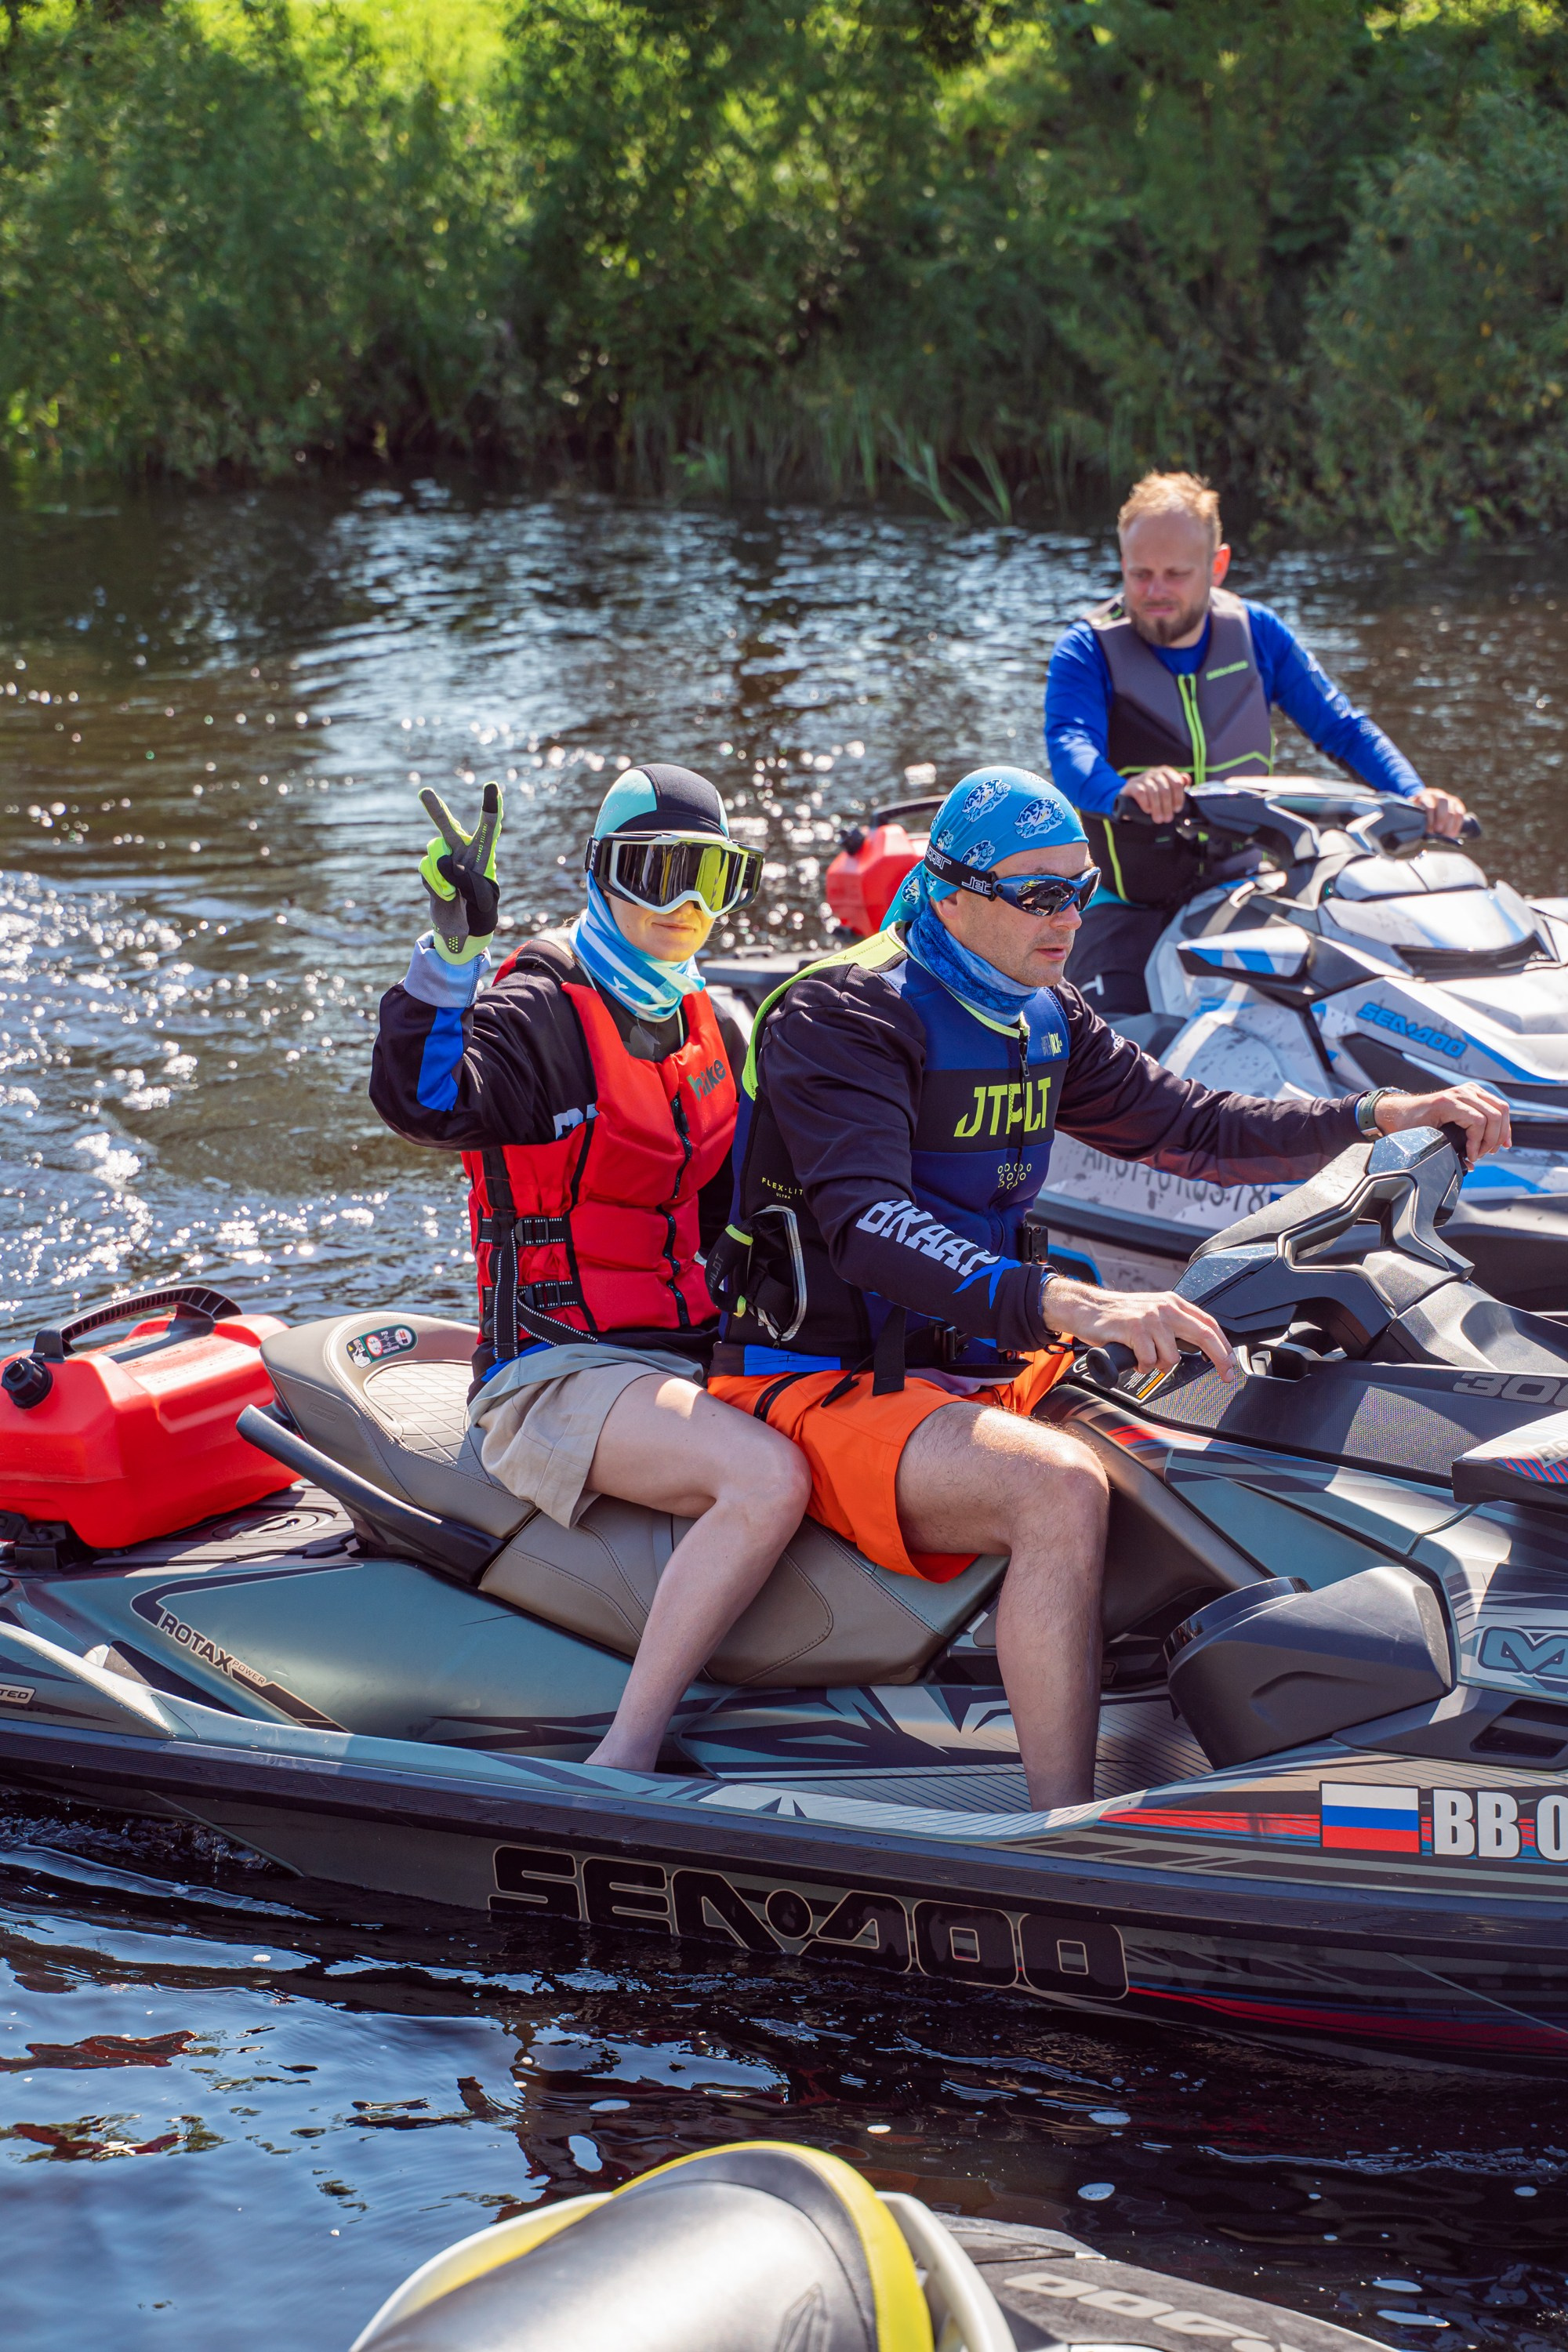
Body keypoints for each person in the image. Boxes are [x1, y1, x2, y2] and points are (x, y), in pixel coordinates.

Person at [706, 766, 1510, 1811]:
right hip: (823, 1379)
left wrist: (1381, 1114)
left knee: (1212, 1412)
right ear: (951, 893)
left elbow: (1194, 1126)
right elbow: (870, 1231)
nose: (1072, 916)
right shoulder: (843, 1017)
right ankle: (1061, 1824)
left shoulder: (1043, 1009)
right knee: (1061, 1490)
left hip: (976, 1361)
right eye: (1039, 895)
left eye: (1081, 888)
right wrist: (1078, 1304)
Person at [369, 764, 811, 1773]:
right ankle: (625, 1750)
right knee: (766, 1479)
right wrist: (449, 952)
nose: (686, 908)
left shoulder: (715, 1026)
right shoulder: (536, 1013)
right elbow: (421, 1101)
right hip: (553, 1373)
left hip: (683, 1353)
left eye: (713, 878)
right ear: (603, 876)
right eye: (658, 875)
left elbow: (744, 1221)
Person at [1044, 470, 1471, 1016]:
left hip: (1242, 884)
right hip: (1125, 902)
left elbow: (1343, 727)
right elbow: (1070, 748)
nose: (1154, 592)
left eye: (1175, 574)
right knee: (1112, 1063)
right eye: (1139, 573)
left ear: (1217, 566)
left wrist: (1413, 795)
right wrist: (1124, 788)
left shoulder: (1259, 633)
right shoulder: (1085, 649)